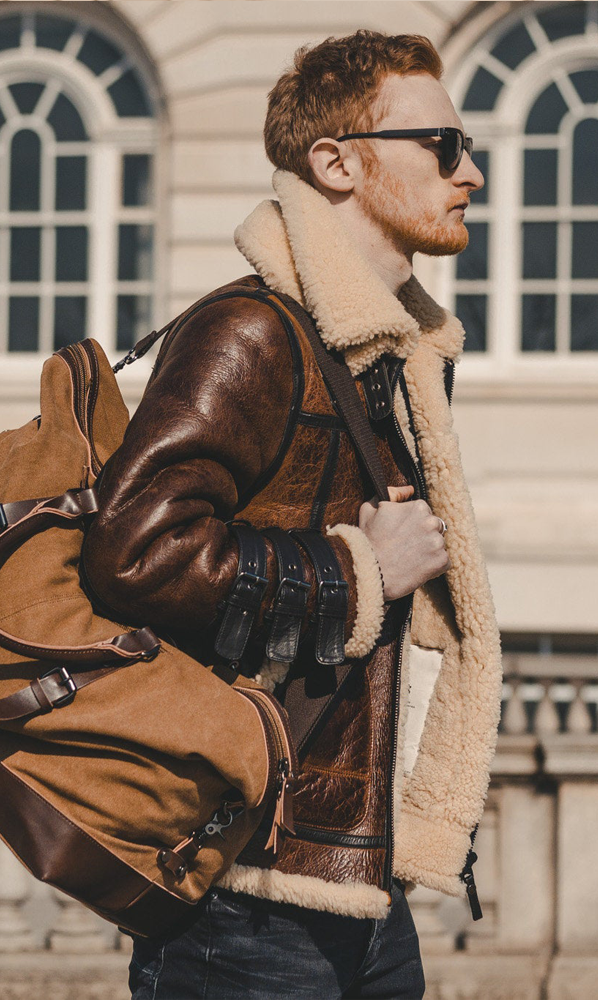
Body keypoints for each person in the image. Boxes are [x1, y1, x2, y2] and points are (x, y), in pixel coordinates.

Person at [83, 28, 502, 1000]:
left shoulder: (391, 354)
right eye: (442, 144)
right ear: (337, 162)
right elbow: (133, 549)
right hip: (244, 896)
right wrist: (355, 572)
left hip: (360, 875)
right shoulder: (252, 332)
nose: (471, 172)